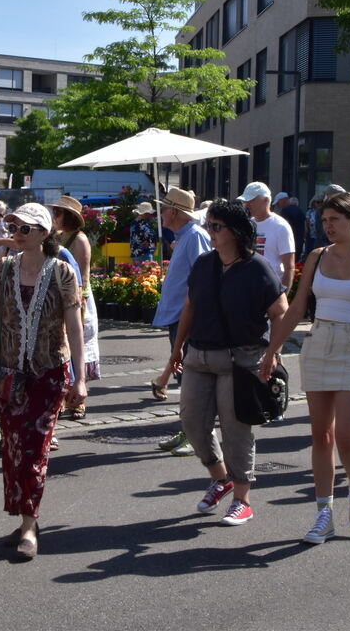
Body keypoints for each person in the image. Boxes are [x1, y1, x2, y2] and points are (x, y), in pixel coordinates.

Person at [263, 191, 350, 543]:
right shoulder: (318, 256)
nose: (328, 226)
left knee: (349, 433)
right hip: (318, 342)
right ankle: (324, 513)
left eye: (335, 219)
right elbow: (296, 309)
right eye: (324, 220)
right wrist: (272, 350)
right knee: (321, 434)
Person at [167, 199, 285, 527]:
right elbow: (188, 308)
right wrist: (177, 350)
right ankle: (221, 478)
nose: (210, 232)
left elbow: (281, 313)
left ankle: (242, 500)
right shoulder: (205, 264)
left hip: (240, 359)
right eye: (209, 225)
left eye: (215, 227)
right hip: (199, 355)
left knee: (236, 430)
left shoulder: (257, 268)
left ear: (235, 231)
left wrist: (273, 352)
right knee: (192, 423)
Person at [0, 203, 86, 560]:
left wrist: (80, 379)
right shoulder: (3, 271)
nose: (17, 234)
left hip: (49, 371)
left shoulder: (63, 273)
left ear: (44, 234)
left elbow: (74, 327)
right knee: (11, 447)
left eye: (25, 229)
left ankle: (28, 525)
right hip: (9, 371)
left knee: (35, 449)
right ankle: (25, 516)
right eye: (15, 227)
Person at [147, 188, 212, 456]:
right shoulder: (186, 236)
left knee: (192, 380)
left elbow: (203, 280)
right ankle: (188, 430)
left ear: (174, 212)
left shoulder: (195, 236)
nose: (160, 213)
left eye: (164, 208)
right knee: (185, 377)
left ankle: (196, 436)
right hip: (179, 318)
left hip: (188, 319)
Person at [49, 195, 101, 394]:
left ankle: (78, 395)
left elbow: (83, 276)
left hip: (77, 298)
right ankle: (65, 391)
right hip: (60, 296)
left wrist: (80, 302)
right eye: (54, 212)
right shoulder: (59, 236)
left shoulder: (80, 240)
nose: (54, 216)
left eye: (58, 212)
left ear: (68, 216)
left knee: (76, 344)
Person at [238, 181, 295, 298]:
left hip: (271, 291)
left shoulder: (281, 226)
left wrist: (282, 297)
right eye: (246, 200)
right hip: (248, 289)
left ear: (266, 200)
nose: (247, 204)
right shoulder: (248, 224)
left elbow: (289, 266)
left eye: (252, 200)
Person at [275, 192, 308, 259]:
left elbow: (282, 229)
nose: (277, 206)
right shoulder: (300, 210)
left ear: (283, 201)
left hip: (289, 243)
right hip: (299, 242)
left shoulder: (284, 211)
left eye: (278, 203)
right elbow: (306, 228)